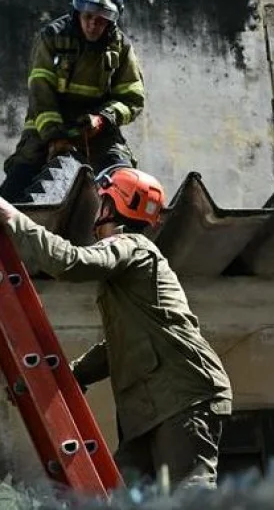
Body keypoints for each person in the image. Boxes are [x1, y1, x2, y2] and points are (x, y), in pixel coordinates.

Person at [0, 166, 232, 488]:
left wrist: (12, 217)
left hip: (181, 397)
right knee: (117, 493)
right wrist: (68, 376)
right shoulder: (131, 270)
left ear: (114, 206)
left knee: (190, 494)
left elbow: (69, 262)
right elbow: (119, 347)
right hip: (150, 408)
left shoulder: (132, 246)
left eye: (103, 204)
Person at [0, 0, 144, 202]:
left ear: (113, 19)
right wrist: (55, 136)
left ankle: (126, 236)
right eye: (88, 16)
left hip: (98, 132)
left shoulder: (121, 47)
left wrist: (103, 119)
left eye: (102, 19)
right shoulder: (52, 37)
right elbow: (41, 93)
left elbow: (132, 98)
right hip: (47, 127)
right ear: (77, 11)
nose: (93, 24)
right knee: (14, 191)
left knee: (126, 185)